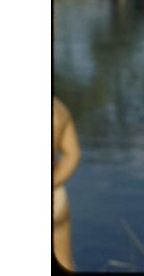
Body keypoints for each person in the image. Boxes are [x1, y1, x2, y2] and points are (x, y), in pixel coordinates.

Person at [53, 96, 81, 270]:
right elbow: (73, 154)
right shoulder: (58, 107)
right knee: (63, 260)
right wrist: (55, 181)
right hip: (56, 195)